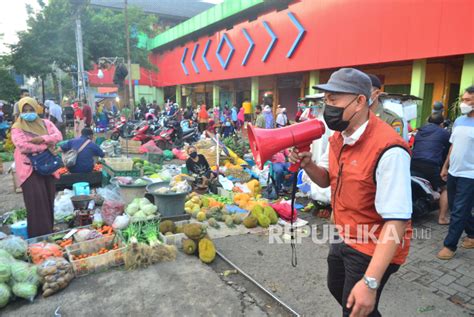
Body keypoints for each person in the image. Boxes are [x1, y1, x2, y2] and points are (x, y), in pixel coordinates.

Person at [289, 68, 412, 316]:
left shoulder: (389, 150)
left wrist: (370, 282)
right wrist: (309, 165)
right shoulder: (339, 137)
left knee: (355, 306)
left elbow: (397, 222)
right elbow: (326, 181)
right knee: (337, 288)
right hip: (342, 233)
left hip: (371, 243)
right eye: (326, 100)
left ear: (360, 101)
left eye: (334, 99)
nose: (328, 106)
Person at [11, 97, 63, 238]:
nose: (28, 113)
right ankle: (38, 238)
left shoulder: (46, 123)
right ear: (20, 112)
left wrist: (42, 139)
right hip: (30, 170)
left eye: (31, 109)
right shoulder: (17, 127)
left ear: (36, 109)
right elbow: (23, 146)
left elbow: (58, 136)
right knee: (35, 203)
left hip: (47, 167)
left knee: (48, 199)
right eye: (25, 110)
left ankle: (49, 232)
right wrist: (46, 145)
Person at [437, 86, 474, 260]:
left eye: (468, 100)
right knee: (456, 206)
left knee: (459, 210)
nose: (464, 104)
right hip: (454, 171)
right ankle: (473, 234)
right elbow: (453, 146)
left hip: (470, 174)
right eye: (463, 100)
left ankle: (449, 245)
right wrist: (445, 166)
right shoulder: (459, 120)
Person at [411, 113, 451, 224]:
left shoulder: (420, 131)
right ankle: (442, 218)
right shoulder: (443, 133)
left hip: (413, 163)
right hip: (430, 165)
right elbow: (450, 149)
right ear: (442, 123)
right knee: (445, 188)